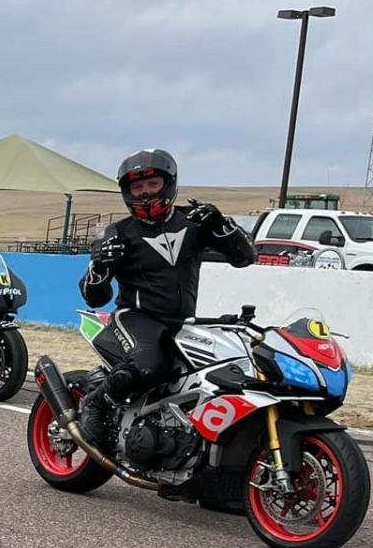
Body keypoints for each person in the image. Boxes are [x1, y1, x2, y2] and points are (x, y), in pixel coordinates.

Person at [77, 149, 257, 447]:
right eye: (137, 187)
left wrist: (222, 226)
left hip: (182, 321)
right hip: (136, 317)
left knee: (231, 367)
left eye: (152, 185)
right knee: (150, 365)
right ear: (126, 191)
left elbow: (245, 258)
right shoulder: (116, 232)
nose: (145, 193)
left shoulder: (195, 221)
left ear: (169, 183)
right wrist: (99, 266)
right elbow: (95, 298)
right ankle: (98, 402)